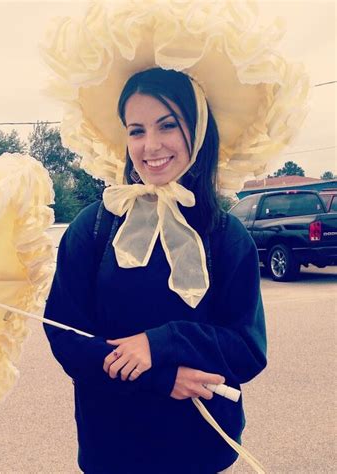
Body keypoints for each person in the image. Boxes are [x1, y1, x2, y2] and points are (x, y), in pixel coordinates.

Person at [41, 1, 308, 472]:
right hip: (112, 449)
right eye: (137, 130)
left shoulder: (228, 237)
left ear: (199, 130)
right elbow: (65, 336)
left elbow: (247, 348)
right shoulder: (94, 227)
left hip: (201, 448)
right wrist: (159, 376)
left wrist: (162, 341)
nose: (151, 146)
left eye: (168, 125)